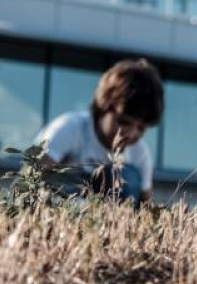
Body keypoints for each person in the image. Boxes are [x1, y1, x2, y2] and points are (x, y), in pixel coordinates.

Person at [35, 58, 164, 205]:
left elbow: (147, 207)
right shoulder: (69, 128)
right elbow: (30, 179)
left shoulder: (140, 154)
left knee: (129, 177)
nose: (132, 133)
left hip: (108, 220)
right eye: (124, 122)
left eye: (141, 128)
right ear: (104, 106)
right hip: (61, 210)